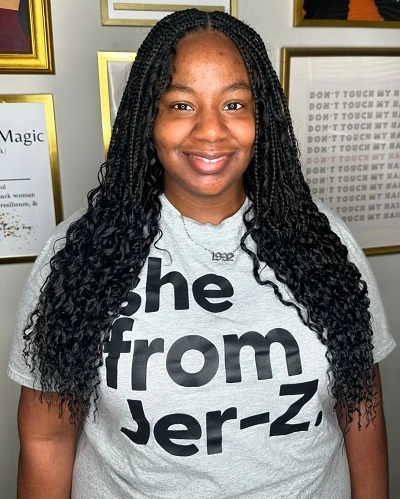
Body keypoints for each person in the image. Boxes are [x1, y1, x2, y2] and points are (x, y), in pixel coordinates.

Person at [8, 8, 396, 499]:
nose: (211, 131)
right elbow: (47, 438)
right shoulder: (79, 254)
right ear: (148, 119)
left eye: (234, 104)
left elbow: (362, 408)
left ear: (262, 119)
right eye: (181, 105)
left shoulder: (324, 242)